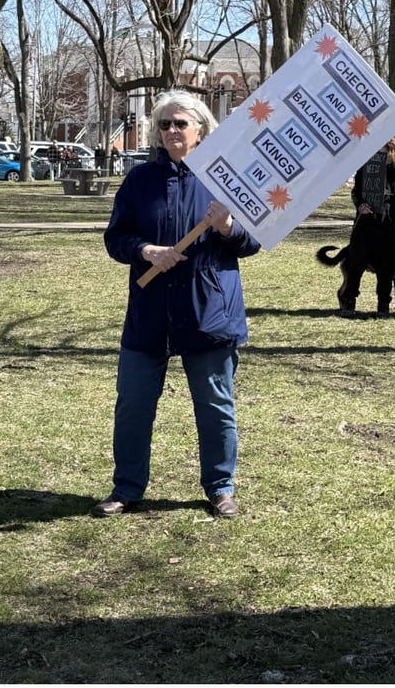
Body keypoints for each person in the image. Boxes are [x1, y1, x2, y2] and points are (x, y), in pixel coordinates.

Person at [93, 89, 261, 520]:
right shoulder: (139, 181)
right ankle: (127, 487)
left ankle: (220, 487)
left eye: (180, 123)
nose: (171, 131)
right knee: (132, 403)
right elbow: (116, 238)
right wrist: (146, 250)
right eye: (164, 124)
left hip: (209, 309)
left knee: (214, 403)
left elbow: (253, 241)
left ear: (201, 130)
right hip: (150, 311)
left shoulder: (229, 178)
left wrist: (227, 227)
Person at [340, 134, 395, 316]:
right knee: (357, 263)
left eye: (384, 149)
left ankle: (383, 304)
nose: (380, 152)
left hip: (387, 224)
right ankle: (349, 300)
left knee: (385, 267)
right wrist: (360, 204)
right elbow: (356, 192)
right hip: (364, 224)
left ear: (393, 149)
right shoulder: (367, 167)